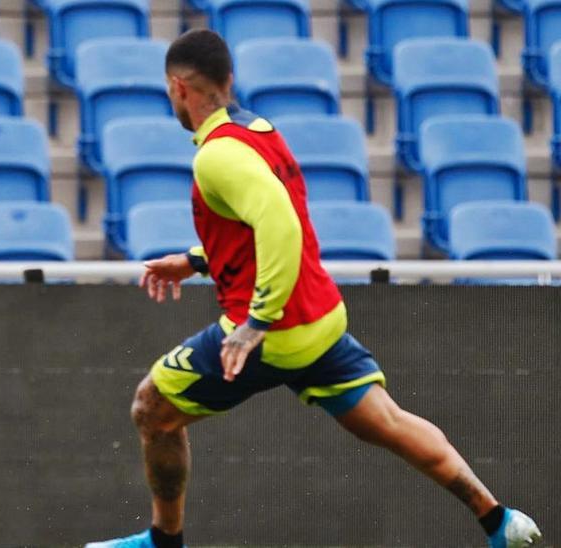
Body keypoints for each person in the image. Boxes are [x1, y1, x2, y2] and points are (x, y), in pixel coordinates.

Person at [85, 29, 543, 548]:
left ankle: (164, 542)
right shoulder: (259, 130)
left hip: (268, 331)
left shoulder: (216, 156)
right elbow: (266, 229)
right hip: (320, 320)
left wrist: (256, 322)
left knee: (152, 409)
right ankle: (499, 520)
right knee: (387, 420)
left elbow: (281, 224)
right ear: (228, 80)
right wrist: (194, 261)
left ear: (176, 87)